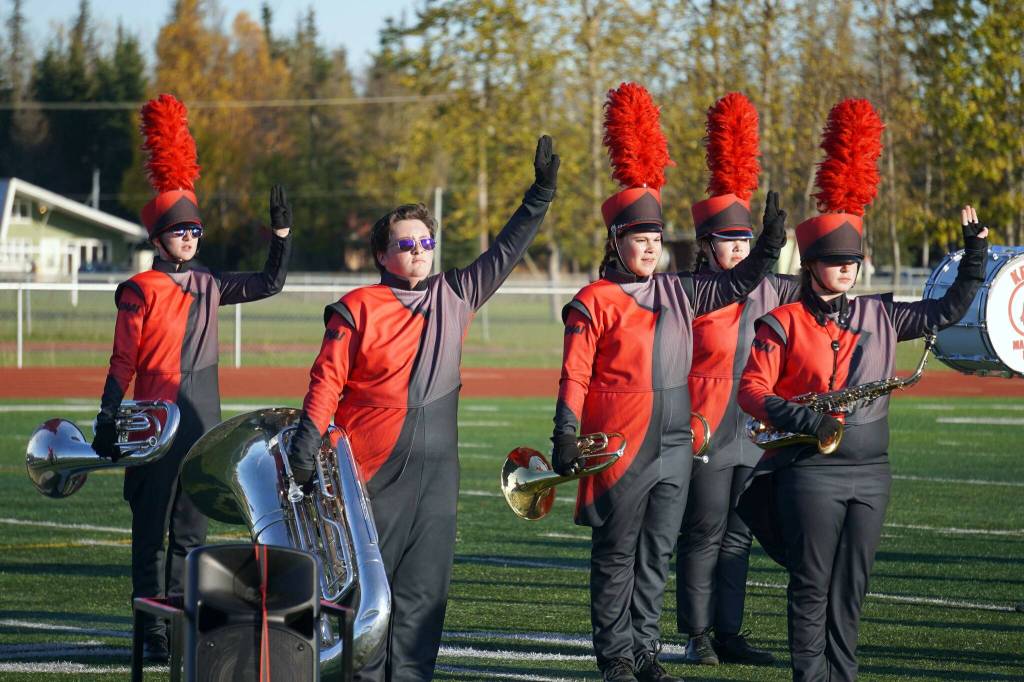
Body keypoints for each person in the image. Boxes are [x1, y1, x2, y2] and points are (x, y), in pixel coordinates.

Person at [286, 136, 559, 681]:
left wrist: (540, 195)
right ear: (382, 254)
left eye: (426, 242)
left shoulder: (454, 295)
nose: (418, 251)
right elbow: (327, 379)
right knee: (369, 603)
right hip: (371, 475)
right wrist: (306, 440)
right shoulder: (357, 307)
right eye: (406, 244)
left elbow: (506, 250)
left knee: (423, 602)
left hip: (439, 480)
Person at [736, 98, 989, 682]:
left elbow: (948, 310)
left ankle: (842, 676)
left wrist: (974, 254)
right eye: (835, 261)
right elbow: (751, 390)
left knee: (852, 589)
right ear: (813, 265)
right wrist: (805, 420)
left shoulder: (882, 315)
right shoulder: (782, 321)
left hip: (873, 470)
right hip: (810, 471)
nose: (847, 269)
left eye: (853, 261)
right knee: (811, 584)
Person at [550, 82, 786, 682]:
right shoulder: (594, 300)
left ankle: (646, 654)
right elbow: (575, 372)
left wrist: (767, 248)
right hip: (620, 446)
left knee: (656, 554)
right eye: (640, 240)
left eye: (656, 241)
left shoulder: (680, 292)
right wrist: (565, 429)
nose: (650, 249)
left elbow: (735, 286)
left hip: (675, 443)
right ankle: (615, 661)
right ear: (617, 241)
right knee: (616, 557)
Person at [91, 94, 293, 662]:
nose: (190, 239)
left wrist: (279, 238)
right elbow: (122, 360)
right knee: (149, 533)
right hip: (154, 425)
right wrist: (107, 413)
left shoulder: (208, 283)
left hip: (202, 425)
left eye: (195, 231)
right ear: (157, 238)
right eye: (180, 231)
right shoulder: (139, 290)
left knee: (191, 533)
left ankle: (180, 622)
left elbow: (269, 285)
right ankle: (149, 627)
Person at [677, 92, 799, 666]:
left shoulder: (770, 289)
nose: (739, 249)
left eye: (746, 240)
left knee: (737, 536)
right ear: (706, 244)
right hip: (702, 427)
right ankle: (696, 634)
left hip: (750, 429)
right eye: (729, 240)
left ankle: (730, 633)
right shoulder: (689, 292)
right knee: (701, 533)